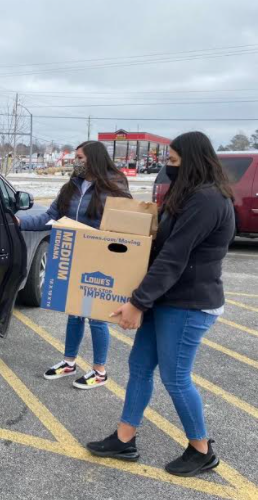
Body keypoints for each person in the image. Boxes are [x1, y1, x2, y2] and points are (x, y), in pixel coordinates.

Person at [87, 132, 235, 477]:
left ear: (192, 161)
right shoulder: (189, 195)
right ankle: (125, 439)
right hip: (165, 298)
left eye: (172, 161)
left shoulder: (207, 200)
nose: (167, 168)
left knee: (176, 378)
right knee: (139, 366)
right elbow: (160, 245)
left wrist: (138, 302)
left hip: (189, 304)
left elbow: (174, 256)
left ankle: (202, 450)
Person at [19, 141, 131, 389]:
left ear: (94, 159)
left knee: (97, 316)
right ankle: (69, 361)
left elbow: (126, 226)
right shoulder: (71, 186)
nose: (75, 161)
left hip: (102, 260)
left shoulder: (115, 186)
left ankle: (99, 371)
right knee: (74, 312)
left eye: (80, 157)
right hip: (73, 256)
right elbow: (51, 217)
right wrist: (20, 223)